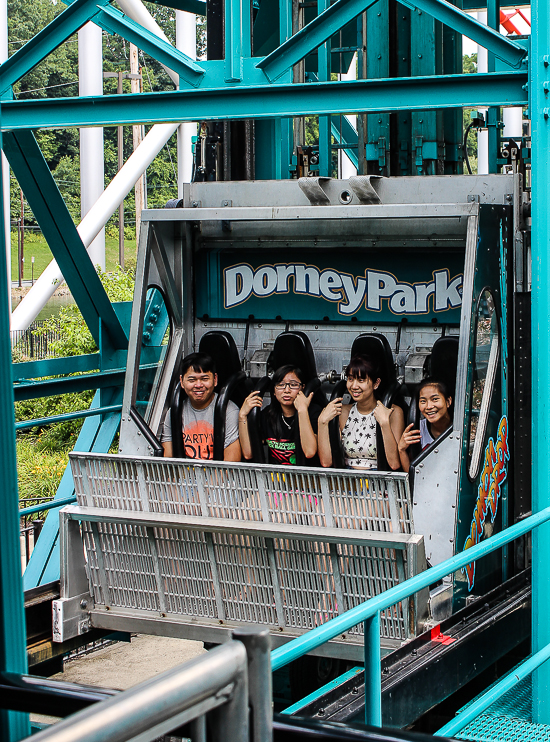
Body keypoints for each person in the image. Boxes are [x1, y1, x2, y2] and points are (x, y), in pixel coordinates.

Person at [318, 355, 404, 470]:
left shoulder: (393, 412)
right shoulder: (343, 412)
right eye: (350, 379)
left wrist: (384, 423)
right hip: (349, 480)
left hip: (379, 481)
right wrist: (322, 422)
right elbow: (326, 461)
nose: (354, 386)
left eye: (361, 380)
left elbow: (394, 464)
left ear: (376, 383)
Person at [161, 352, 241, 461]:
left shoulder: (230, 411)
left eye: (204, 379)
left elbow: (230, 465)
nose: (198, 385)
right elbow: (168, 459)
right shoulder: (174, 412)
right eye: (192, 380)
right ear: (182, 382)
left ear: (215, 379)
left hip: (217, 476)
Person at [239, 365, 321, 466]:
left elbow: (310, 452)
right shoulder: (268, 414)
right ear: (274, 391)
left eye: (293, 385)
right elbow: (248, 453)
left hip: (306, 479)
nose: (287, 390)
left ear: (302, 388)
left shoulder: (313, 412)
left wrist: (302, 409)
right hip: (277, 478)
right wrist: (242, 415)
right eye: (281, 385)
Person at [398, 378, 452, 471]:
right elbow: (413, 476)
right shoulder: (418, 429)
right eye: (423, 401)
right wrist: (402, 450)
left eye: (435, 399)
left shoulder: (460, 427)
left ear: (448, 402)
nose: (429, 406)